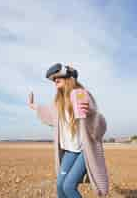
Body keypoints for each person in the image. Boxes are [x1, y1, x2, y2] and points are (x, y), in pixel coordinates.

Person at [27, 63, 109, 197]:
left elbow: (100, 127)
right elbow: (50, 114)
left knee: (69, 186)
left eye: (57, 77)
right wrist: (33, 106)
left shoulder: (82, 95)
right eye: (53, 79)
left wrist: (90, 114)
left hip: (84, 150)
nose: (55, 80)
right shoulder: (59, 102)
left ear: (69, 77)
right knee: (60, 186)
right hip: (70, 151)